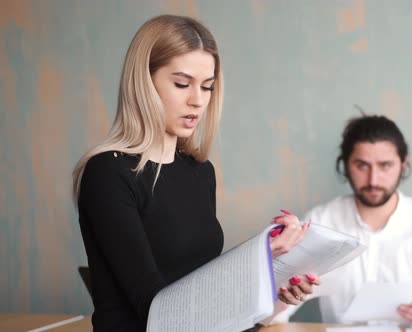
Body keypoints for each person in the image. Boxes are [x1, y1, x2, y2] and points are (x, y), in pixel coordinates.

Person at [72, 15, 318, 332]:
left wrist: (274, 301)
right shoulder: (108, 172)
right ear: (143, 82)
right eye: (181, 84)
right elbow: (157, 312)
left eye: (207, 87)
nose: (198, 100)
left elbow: (205, 313)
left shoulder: (200, 172)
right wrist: (256, 258)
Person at [273, 114, 412, 329]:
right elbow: (276, 313)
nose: (373, 180)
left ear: (403, 163)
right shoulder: (320, 222)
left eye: (385, 166)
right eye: (362, 166)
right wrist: (277, 275)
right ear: (345, 165)